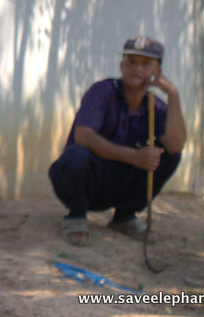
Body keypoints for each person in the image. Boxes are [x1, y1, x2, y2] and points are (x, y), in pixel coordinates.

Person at [48, 36, 187, 246]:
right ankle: (76, 216)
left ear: (157, 72)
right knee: (76, 155)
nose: (137, 68)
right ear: (122, 66)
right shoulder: (102, 91)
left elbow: (175, 146)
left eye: (145, 64)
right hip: (90, 183)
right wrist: (134, 157)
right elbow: (82, 136)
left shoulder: (155, 107)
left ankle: (124, 217)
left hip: (121, 185)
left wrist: (173, 94)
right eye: (131, 62)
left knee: (169, 156)